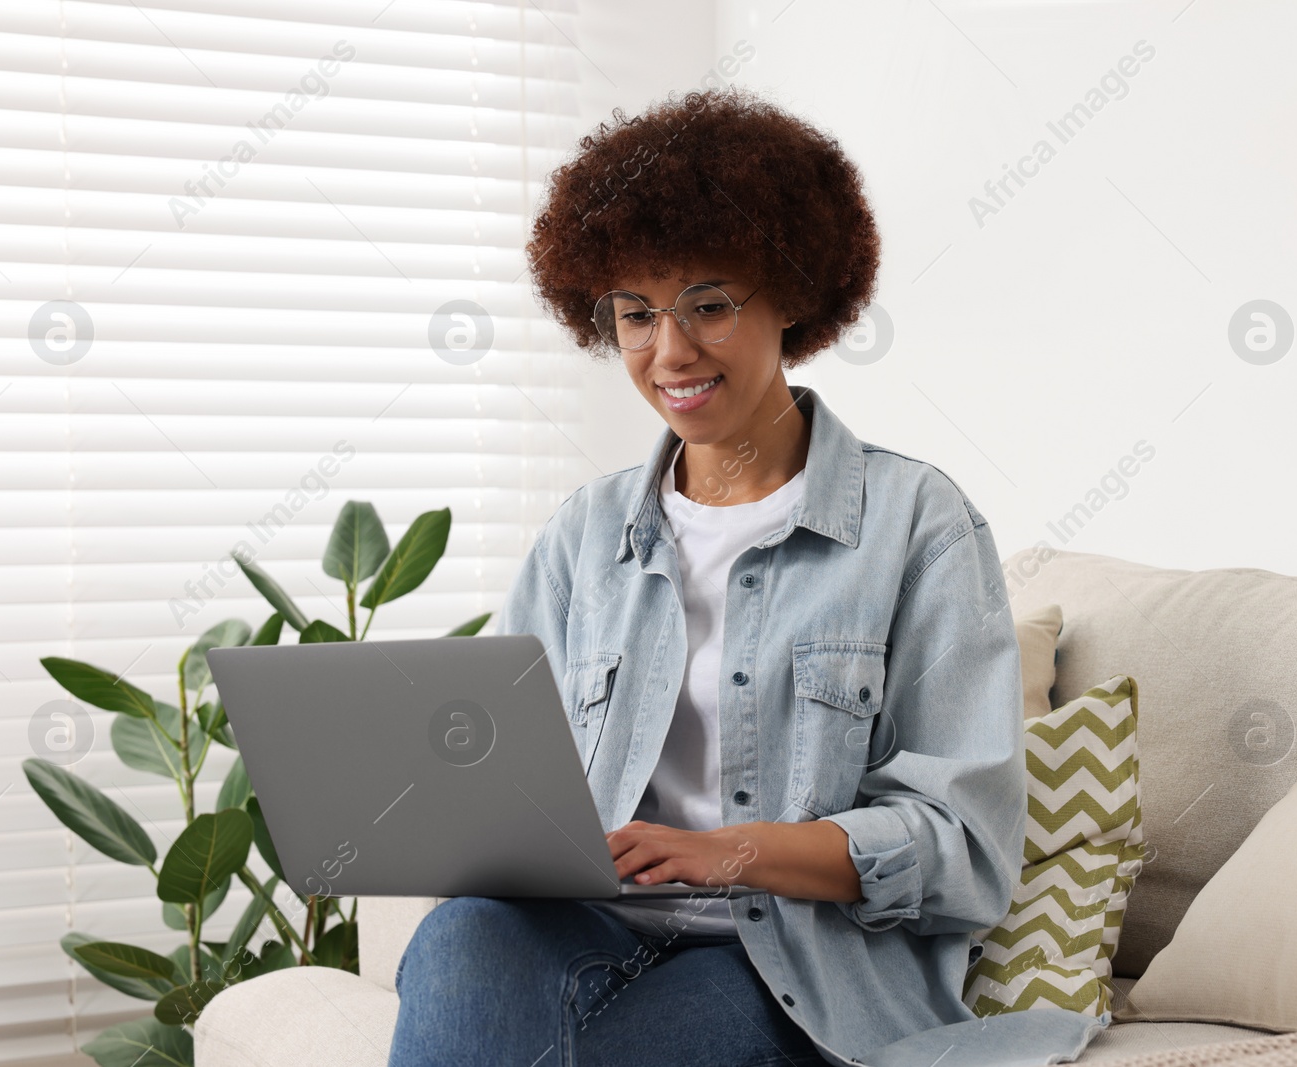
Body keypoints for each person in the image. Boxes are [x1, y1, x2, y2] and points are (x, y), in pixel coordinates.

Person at [388, 85, 1027, 1067]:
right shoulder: (582, 534)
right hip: (592, 923)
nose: (670, 351)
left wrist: (725, 850)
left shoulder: (916, 524)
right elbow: (506, 781)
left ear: (793, 296)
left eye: (710, 304)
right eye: (635, 314)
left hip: (789, 955)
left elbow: (965, 849)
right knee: (457, 936)